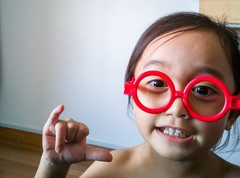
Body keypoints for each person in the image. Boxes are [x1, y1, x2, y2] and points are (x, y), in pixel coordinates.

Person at [35, 12, 240, 178]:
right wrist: (53, 167)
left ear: (231, 113)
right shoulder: (109, 171)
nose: (177, 108)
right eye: (158, 83)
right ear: (133, 95)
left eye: (202, 90)